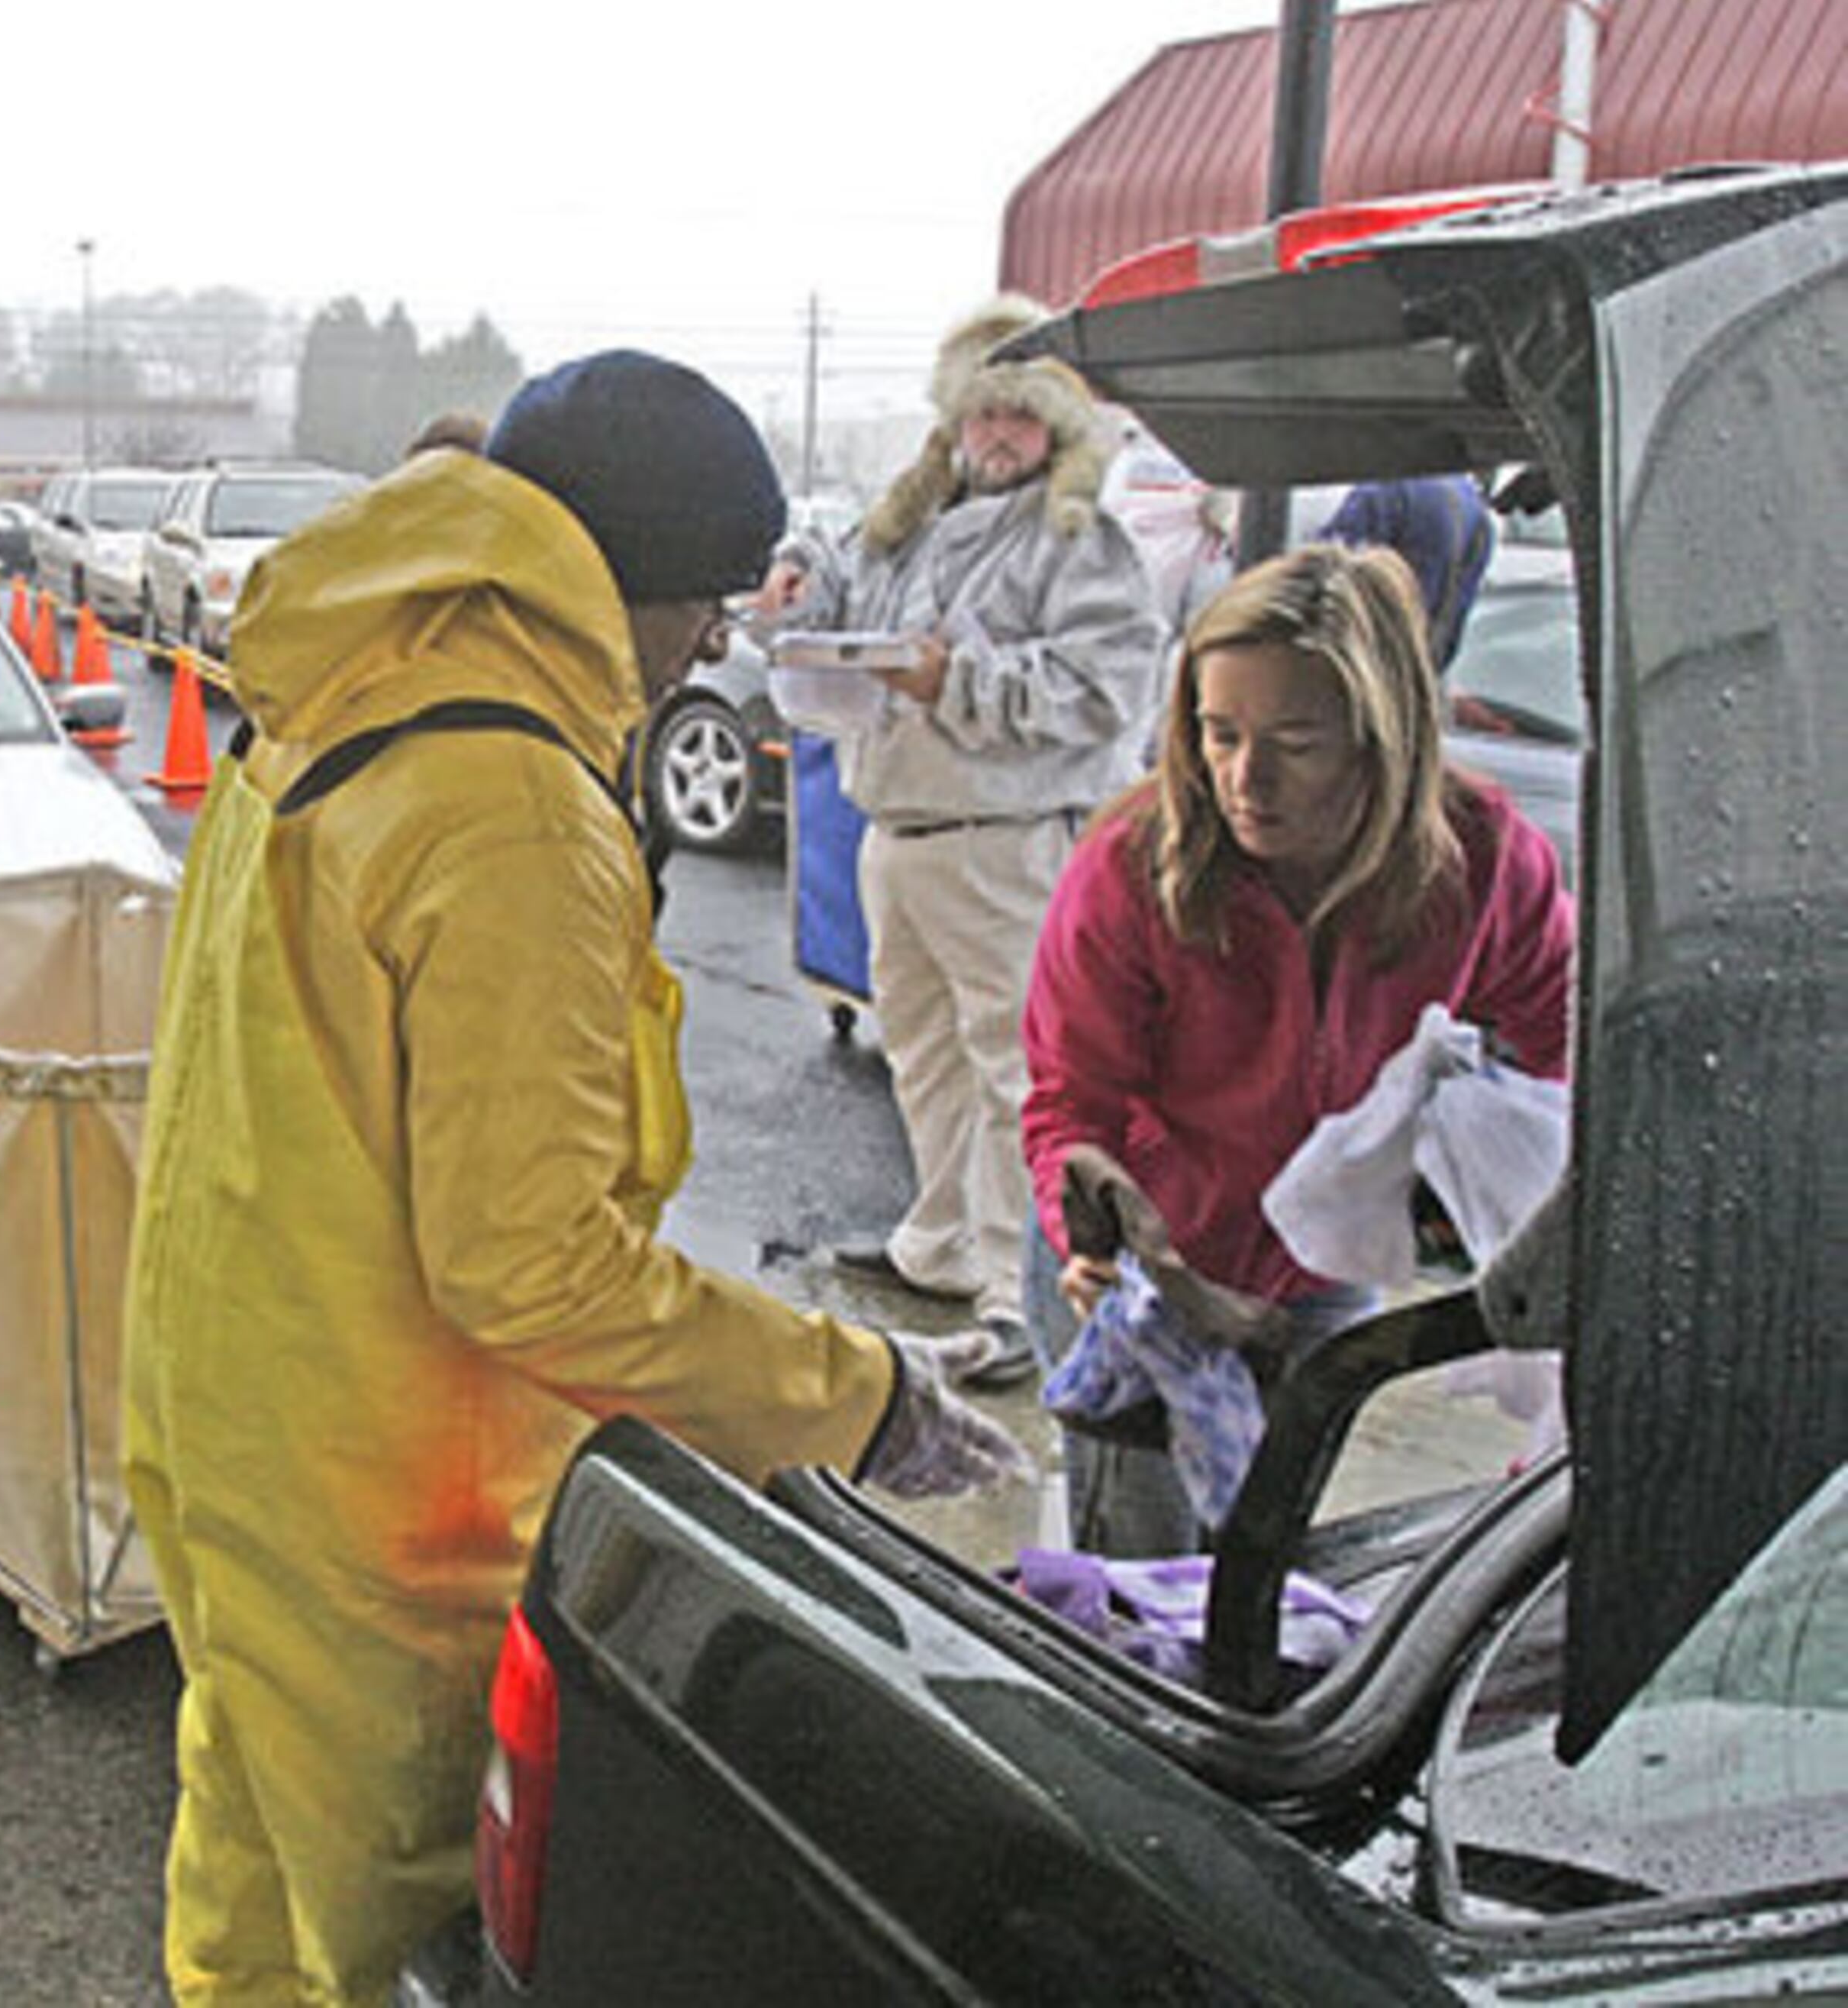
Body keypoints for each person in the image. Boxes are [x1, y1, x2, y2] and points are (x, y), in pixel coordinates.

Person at [121, 350, 1030, 2007]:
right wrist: (854, 1396)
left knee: (253, 1884)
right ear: (639, 586)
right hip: (386, 1483)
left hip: (227, 1396)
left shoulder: (350, 676)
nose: (714, 649)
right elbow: (530, 1264)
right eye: (706, 607)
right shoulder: (515, 808)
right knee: (390, 1935)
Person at [1020, 541, 1575, 1556]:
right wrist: (1087, 1233)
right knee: (1144, 1570)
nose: (1245, 777)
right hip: (1149, 1271)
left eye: (1297, 741)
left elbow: (1569, 1044)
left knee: (1266, 1549)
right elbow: (1070, 1103)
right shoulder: (1131, 867)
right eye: (1218, 733)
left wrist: (1506, 1199)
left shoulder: (1483, 858)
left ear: (1382, 734)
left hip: (1323, 1260)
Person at [763, 295, 1167, 1389]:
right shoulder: (914, 521)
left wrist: (962, 681)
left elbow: (1106, 689)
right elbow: (839, 578)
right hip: (900, 830)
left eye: (1017, 419)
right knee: (927, 1050)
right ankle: (942, 1247)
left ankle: (1016, 1295)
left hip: (1010, 843)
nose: (995, 437)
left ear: (1054, 429)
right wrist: (799, 569)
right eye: (979, 415)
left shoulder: (1081, 543)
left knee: (1015, 1073)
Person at [1314, 473, 1496, 667]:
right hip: (1416, 675)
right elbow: (1454, 625)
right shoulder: (1478, 514)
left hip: (1362, 667)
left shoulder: (1386, 489)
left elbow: (1319, 579)